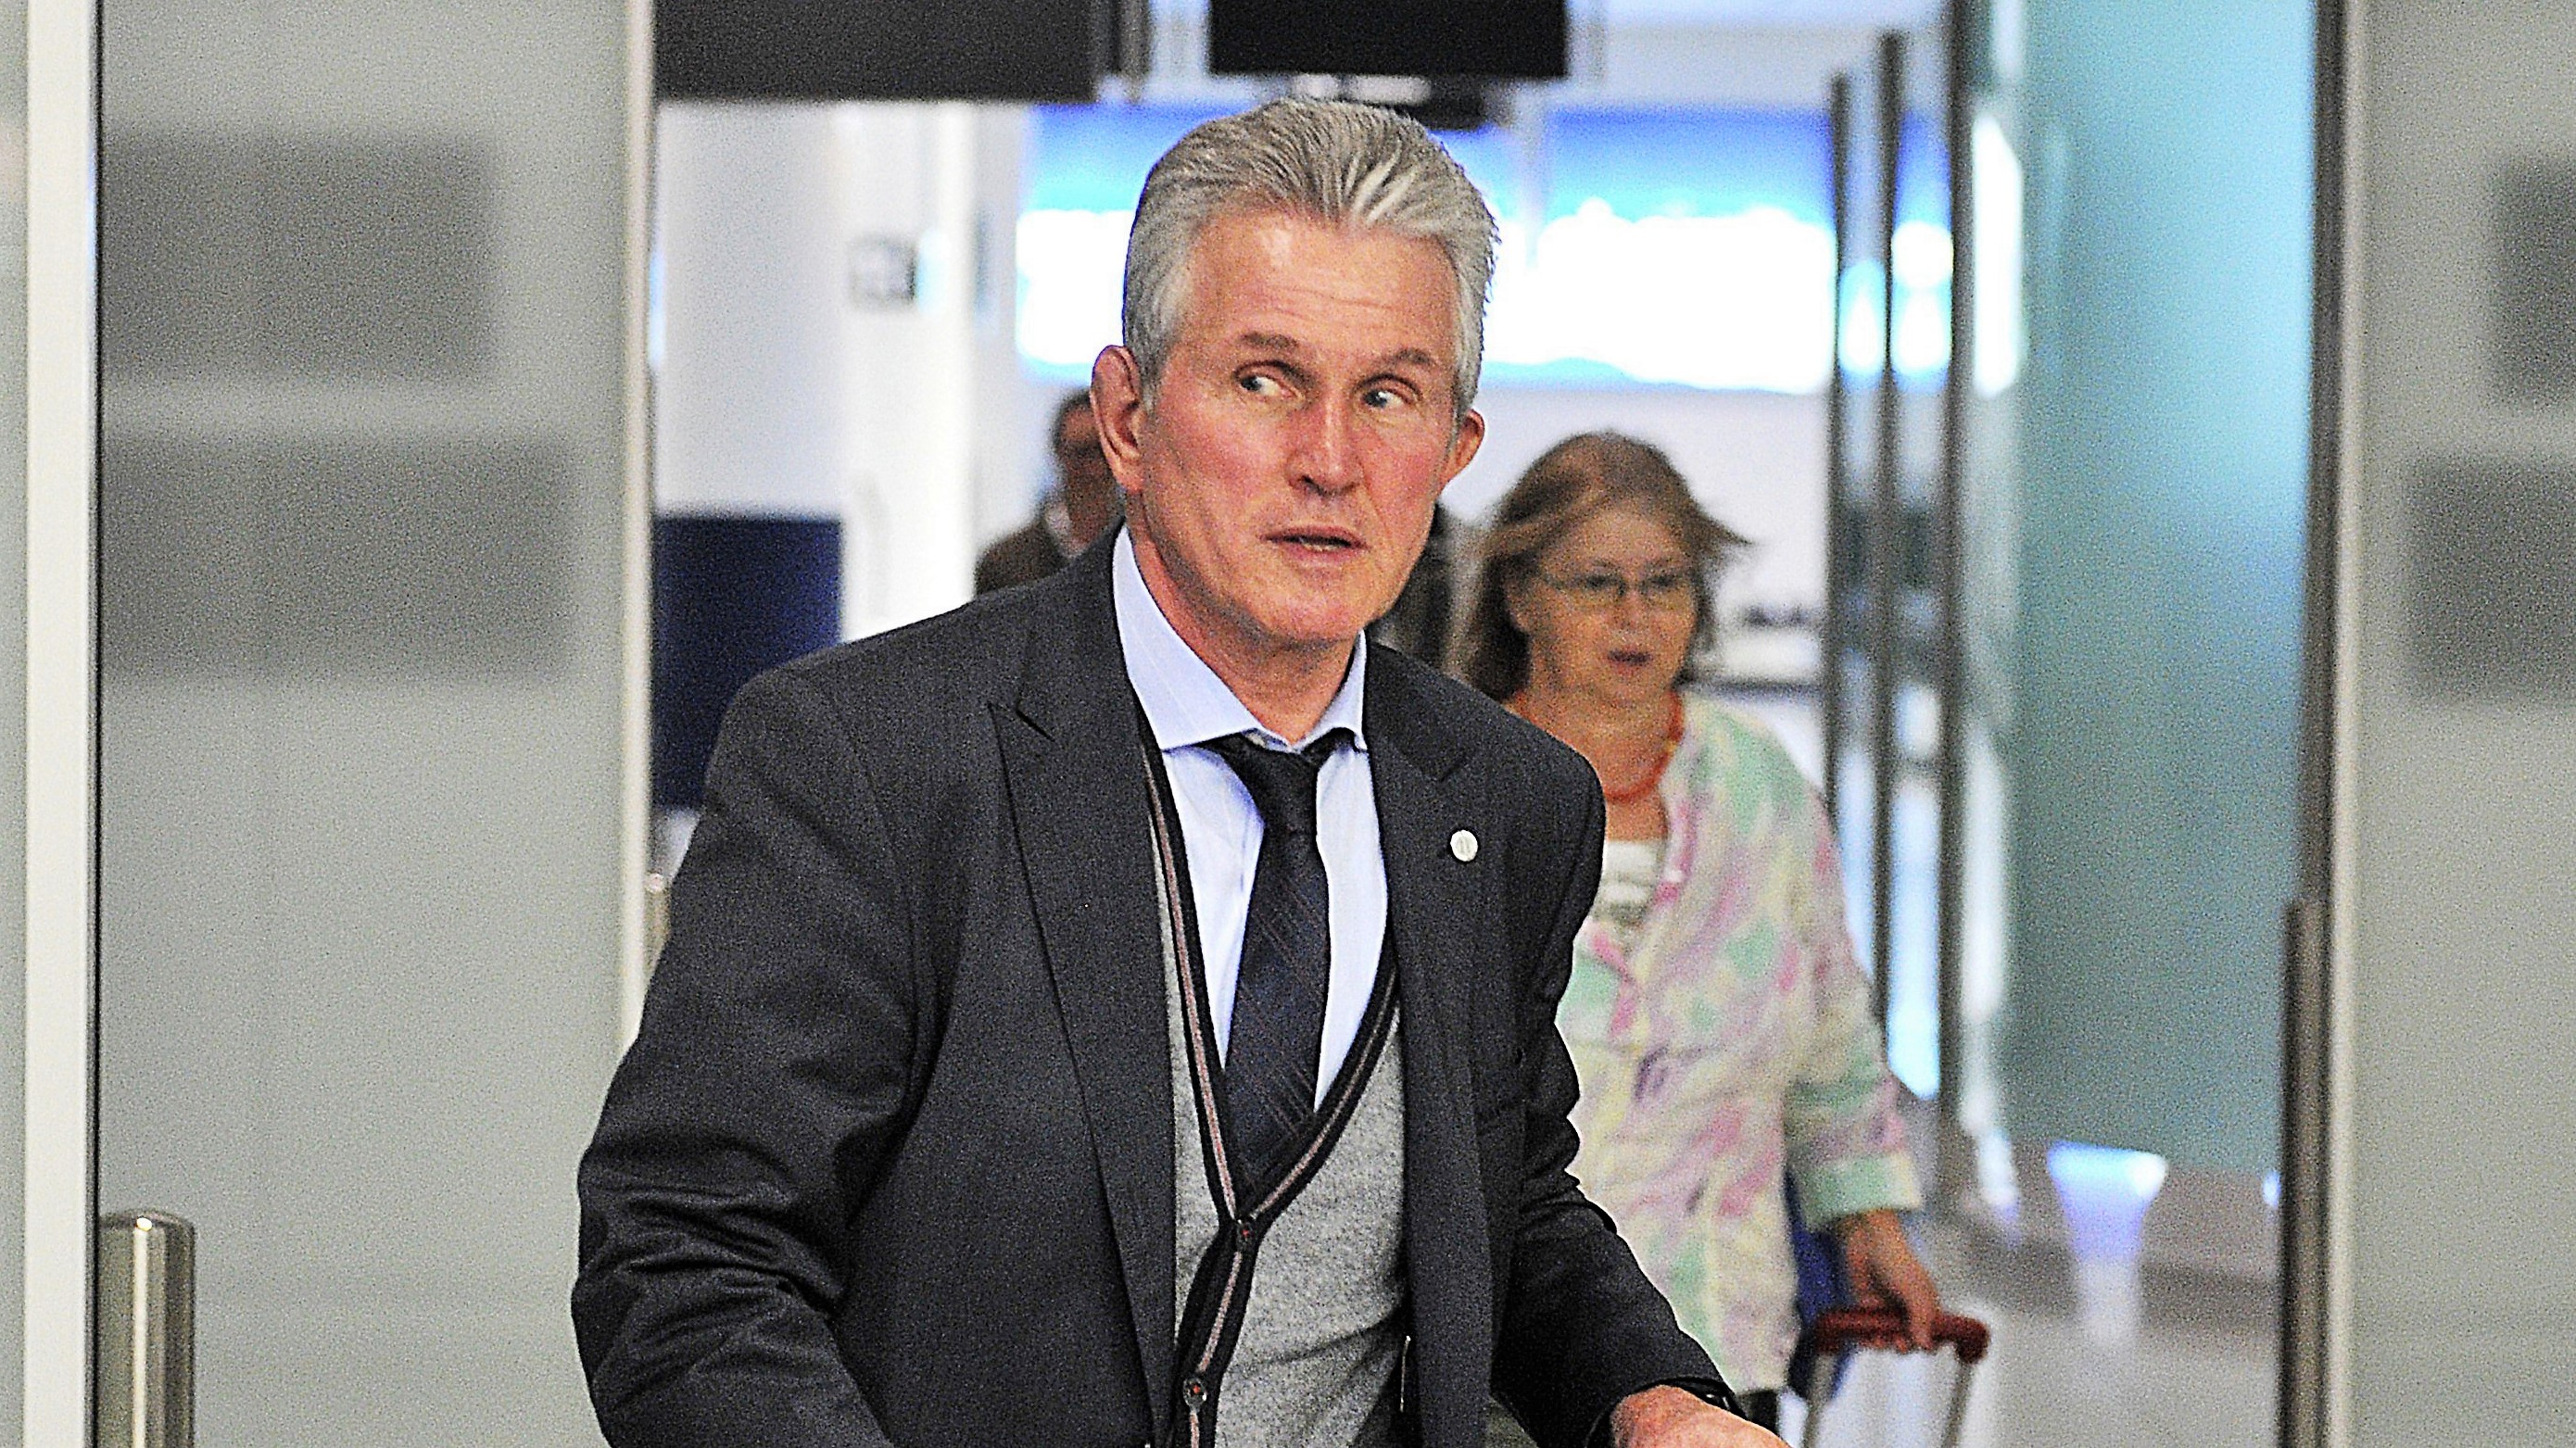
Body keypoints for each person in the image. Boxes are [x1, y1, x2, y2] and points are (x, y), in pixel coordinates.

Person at [574, 102, 1785, 1448]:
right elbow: (688, 1260)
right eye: (1265, 379)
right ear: (1128, 417)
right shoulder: (870, 760)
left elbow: (1506, 1202)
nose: (1330, 459)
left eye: (1388, 395)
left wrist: (1648, 1392)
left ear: (1454, 450)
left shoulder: (1505, 802)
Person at [1457, 433, 1941, 1439]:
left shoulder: (1757, 780)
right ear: (1519, 596)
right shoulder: (1457, 783)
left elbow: (1831, 1026)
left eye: (1665, 583)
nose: (1634, 616)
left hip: (1720, 1327)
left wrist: (1869, 1219)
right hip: (1512, 1352)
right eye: (1597, 583)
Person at [975, 387, 1123, 594]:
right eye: (1082, 453)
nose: (1095, 468)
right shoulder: (1005, 564)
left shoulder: (1142, 554)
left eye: (1103, 452)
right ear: (1059, 455)